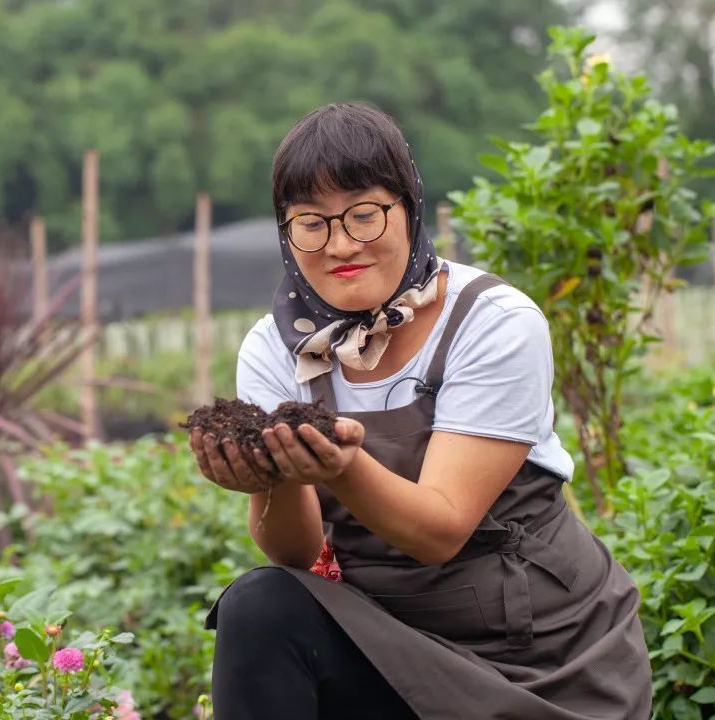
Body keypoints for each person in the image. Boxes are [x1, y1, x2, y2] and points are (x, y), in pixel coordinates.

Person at [187, 103, 652, 719]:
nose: (340, 245)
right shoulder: (276, 347)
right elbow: (297, 555)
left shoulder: (492, 322)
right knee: (260, 604)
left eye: (363, 215)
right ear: (286, 232)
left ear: (409, 206)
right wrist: (267, 480)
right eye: (311, 224)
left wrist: (338, 465)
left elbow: (440, 531)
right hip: (392, 649)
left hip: (545, 662)